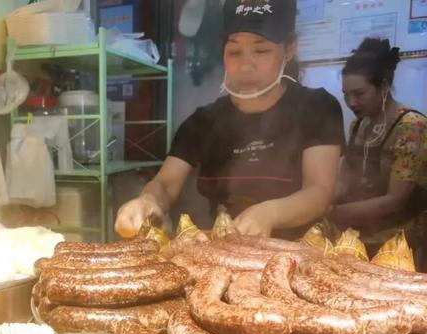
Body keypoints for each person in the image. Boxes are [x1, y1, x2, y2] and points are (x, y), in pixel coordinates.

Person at [115, 0, 345, 239]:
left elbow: (318, 192)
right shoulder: (203, 122)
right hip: (225, 252)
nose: (246, 65)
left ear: (289, 48)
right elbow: (166, 183)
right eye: (234, 51)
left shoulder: (317, 108)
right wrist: (148, 200)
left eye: (261, 50)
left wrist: (270, 214)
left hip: (303, 251)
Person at [331, 38, 427, 256]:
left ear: (383, 86)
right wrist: (320, 201)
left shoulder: (412, 126)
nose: (351, 102)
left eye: (359, 93)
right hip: (359, 232)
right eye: (346, 94)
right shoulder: (359, 125)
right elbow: (345, 180)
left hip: (400, 240)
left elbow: (395, 200)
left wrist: (338, 212)